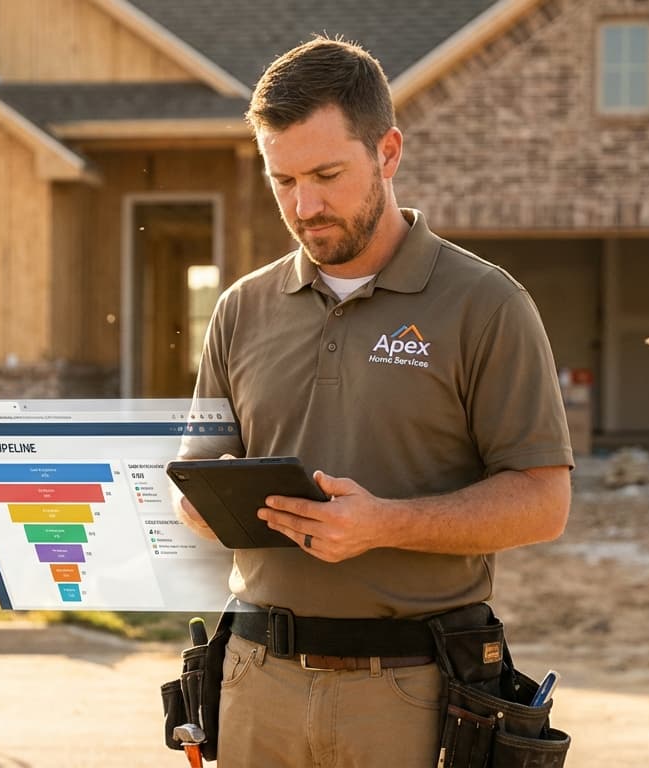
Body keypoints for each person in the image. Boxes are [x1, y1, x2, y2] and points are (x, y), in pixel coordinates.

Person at [173, 36, 574, 768]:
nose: (305, 205)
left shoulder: (486, 304)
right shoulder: (240, 308)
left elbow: (544, 501)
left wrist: (385, 524)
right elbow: (196, 476)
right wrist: (200, 505)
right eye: (282, 179)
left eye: (328, 174)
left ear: (388, 152)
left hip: (412, 695)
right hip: (253, 684)